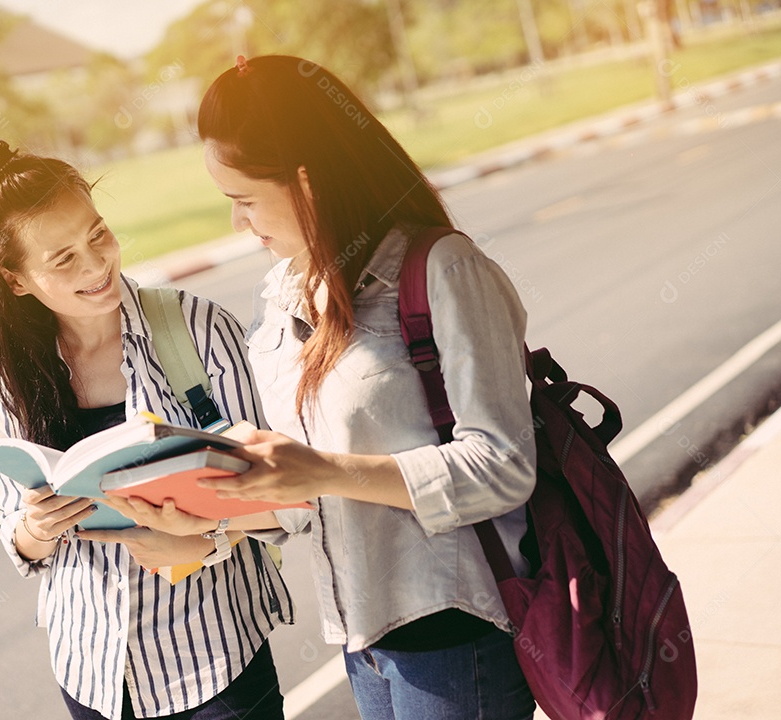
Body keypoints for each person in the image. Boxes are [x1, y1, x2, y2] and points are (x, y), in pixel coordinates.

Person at [125, 55, 538, 720]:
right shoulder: (284, 300)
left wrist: (323, 469)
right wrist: (203, 523)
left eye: (245, 201)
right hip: (364, 644)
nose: (238, 223)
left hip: (458, 639)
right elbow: (305, 502)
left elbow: (503, 467)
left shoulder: (443, 271)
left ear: (307, 183)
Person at [0, 138, 292, 720]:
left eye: (98, 235)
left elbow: (281, 491)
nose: (96, 265)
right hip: (93, 673)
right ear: (15, 281)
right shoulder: (13, 374)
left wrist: (199, 539)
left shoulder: (197, 328)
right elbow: (16, 532)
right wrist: (37, 527)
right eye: (63, 259)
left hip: (213, 662)